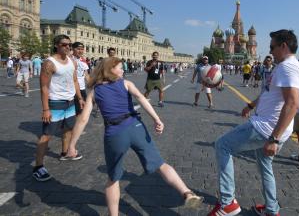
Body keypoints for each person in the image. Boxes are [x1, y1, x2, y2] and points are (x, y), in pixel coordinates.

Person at [66, 57, 203, 216]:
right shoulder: (126, 84)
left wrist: (72, 145)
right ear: (110, 70)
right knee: (161, 165)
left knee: (113, 179)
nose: (123, 70)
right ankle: (186, 192)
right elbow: (142, 99)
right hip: (135, 127)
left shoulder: (95, 91)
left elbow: (83, 119)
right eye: (119, 67)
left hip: (114, 133)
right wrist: (157, 119)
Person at [208, 29, 299, 216]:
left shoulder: (287, 66)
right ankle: (272, 210)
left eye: (272, 46)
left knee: (222, 146)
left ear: (284, 46)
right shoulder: (285, 65)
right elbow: (270, 93)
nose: (270, 51)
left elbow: (293, 103)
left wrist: (274, 139)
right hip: (269, 126)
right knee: (265, 167)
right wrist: (251, 105)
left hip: (265, 128)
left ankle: (227, 203)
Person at [32, 35, 85, 182]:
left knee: (68, 129)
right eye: (64, 45)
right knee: (47, 135)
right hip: (55, 103)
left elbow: (74, 80)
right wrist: (45, 109)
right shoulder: (49, 63)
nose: (68, 47)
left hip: (70, 102)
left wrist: (79, 98)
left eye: (69, 45)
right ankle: (38, 167)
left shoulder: (72, 61)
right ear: (56, 45)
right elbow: (43, 87)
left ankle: (65, 153)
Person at [72, 42, 90, 116]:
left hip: (82, 88)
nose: (80, 51)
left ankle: (76, 126)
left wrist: (93, 85)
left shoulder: (83, 60)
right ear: (73, 49)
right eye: (78, 49)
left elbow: (86, 75)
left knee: (81, 110)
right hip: (72, 88)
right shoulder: (69, 59)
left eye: (82, 49)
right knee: (74, 110)